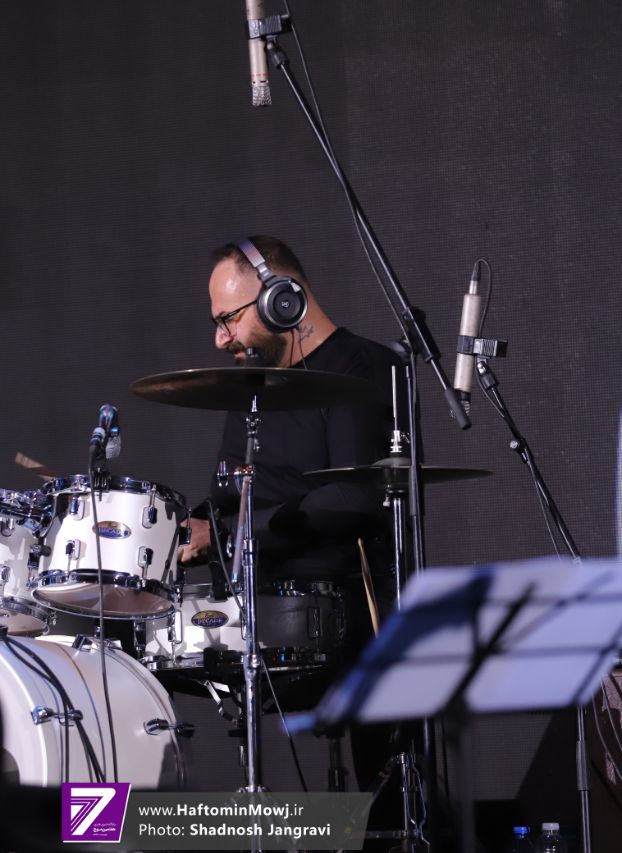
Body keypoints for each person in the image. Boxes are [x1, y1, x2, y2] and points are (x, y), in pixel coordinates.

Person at [176, 236, 406, 806]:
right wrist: (185, 528)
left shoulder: (362, 368)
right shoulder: (252, 382)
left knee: (386, 807)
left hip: (349, 619)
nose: (220, 338)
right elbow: (230, 496)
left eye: (228, 319)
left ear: (283, 298)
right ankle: (113, 827)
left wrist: (224, 535)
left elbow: (351, 498)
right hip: (256, 610)